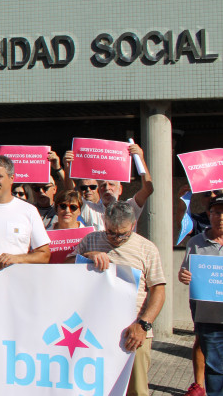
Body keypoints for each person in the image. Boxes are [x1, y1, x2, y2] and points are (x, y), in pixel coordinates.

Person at [66, 201, 165, 396]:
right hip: (95, 331)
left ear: (133, 225)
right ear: (104, 222)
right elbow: (66, 266)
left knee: (136, 390)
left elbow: (159, 292)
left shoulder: (147, 249)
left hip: (133, 332)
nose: (116, 238)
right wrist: (87, 255)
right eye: (111, 232)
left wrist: (143, 325)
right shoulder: (91, 240)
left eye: (123, 234)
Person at [178, 196, 223, 396]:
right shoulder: (195, 242)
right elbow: (185, 272)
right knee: (214, 365)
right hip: (208, 314)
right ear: (209, 215)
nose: (220, 217)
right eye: (216, 212)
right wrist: (183, 275)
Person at [62, 144, 153, 231]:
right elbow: (71, 194)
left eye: (111, 184)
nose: (106, 188)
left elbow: (148, 189)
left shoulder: (130, 207)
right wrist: (67, 166)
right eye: (103, 185)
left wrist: (140, 159)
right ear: (98, 191)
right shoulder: (90, 210)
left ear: (120, 189)